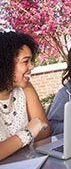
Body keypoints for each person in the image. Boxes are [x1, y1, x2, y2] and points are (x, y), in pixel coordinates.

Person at [0, 31, 50, 161]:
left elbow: (44, 130)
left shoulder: (26, 88)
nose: (31, 66)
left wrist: (11, 144)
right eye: (26, 61)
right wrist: (27, 133)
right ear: (6, 63)